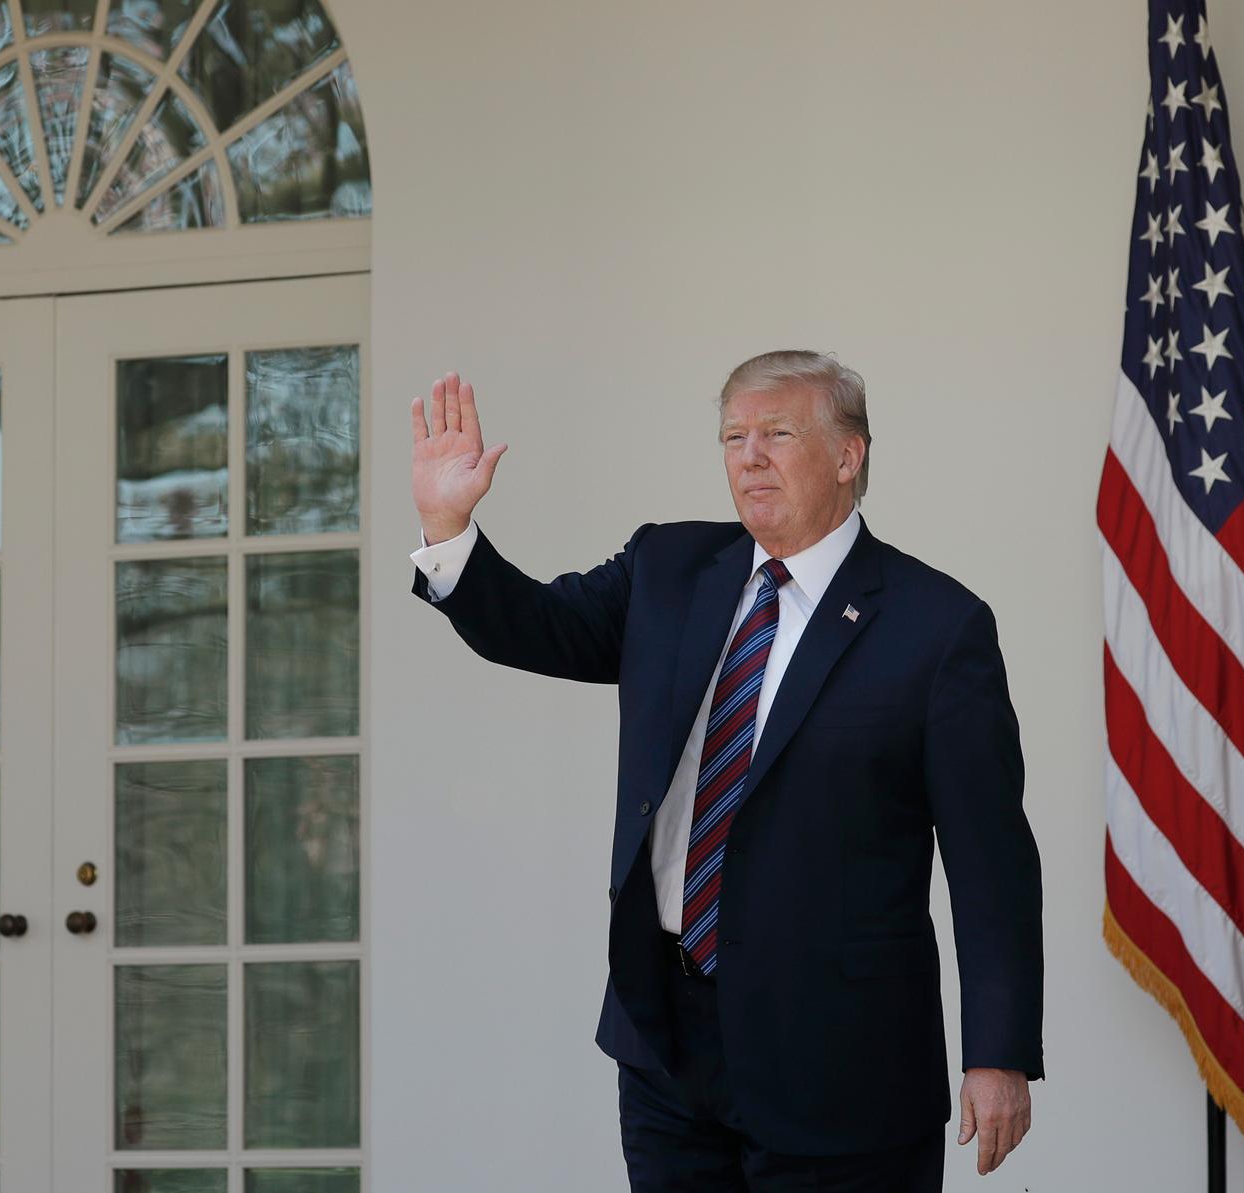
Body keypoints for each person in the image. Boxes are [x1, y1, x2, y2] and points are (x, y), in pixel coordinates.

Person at [407, 350, 1044, 1191]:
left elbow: (990, 861)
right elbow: (537, 627)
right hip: (669, 1049)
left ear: (849, 455)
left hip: (843, 1067)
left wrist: (997, 1054)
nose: (749, 455)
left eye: (778, 433)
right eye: (733, 435)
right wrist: (450, 529)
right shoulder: (669, 570)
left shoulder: (938, 627)